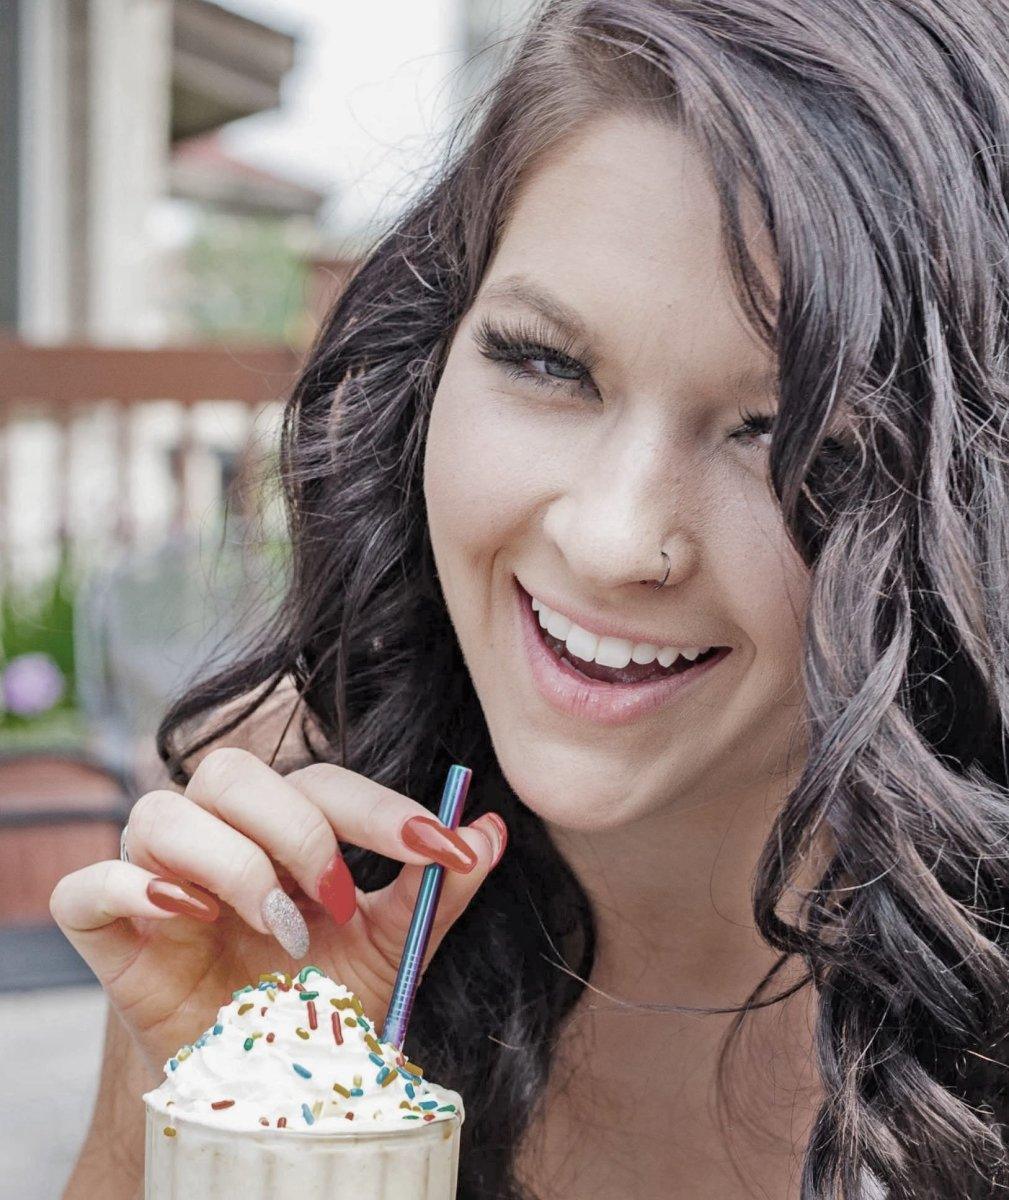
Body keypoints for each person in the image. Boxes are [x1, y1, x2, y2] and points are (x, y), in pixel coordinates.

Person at [50, 1, 1009, 1196]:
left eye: (782, 428)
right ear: (430, 354)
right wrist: (239, 1126)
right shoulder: (282, 854)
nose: (613, 541)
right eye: (547, 363)